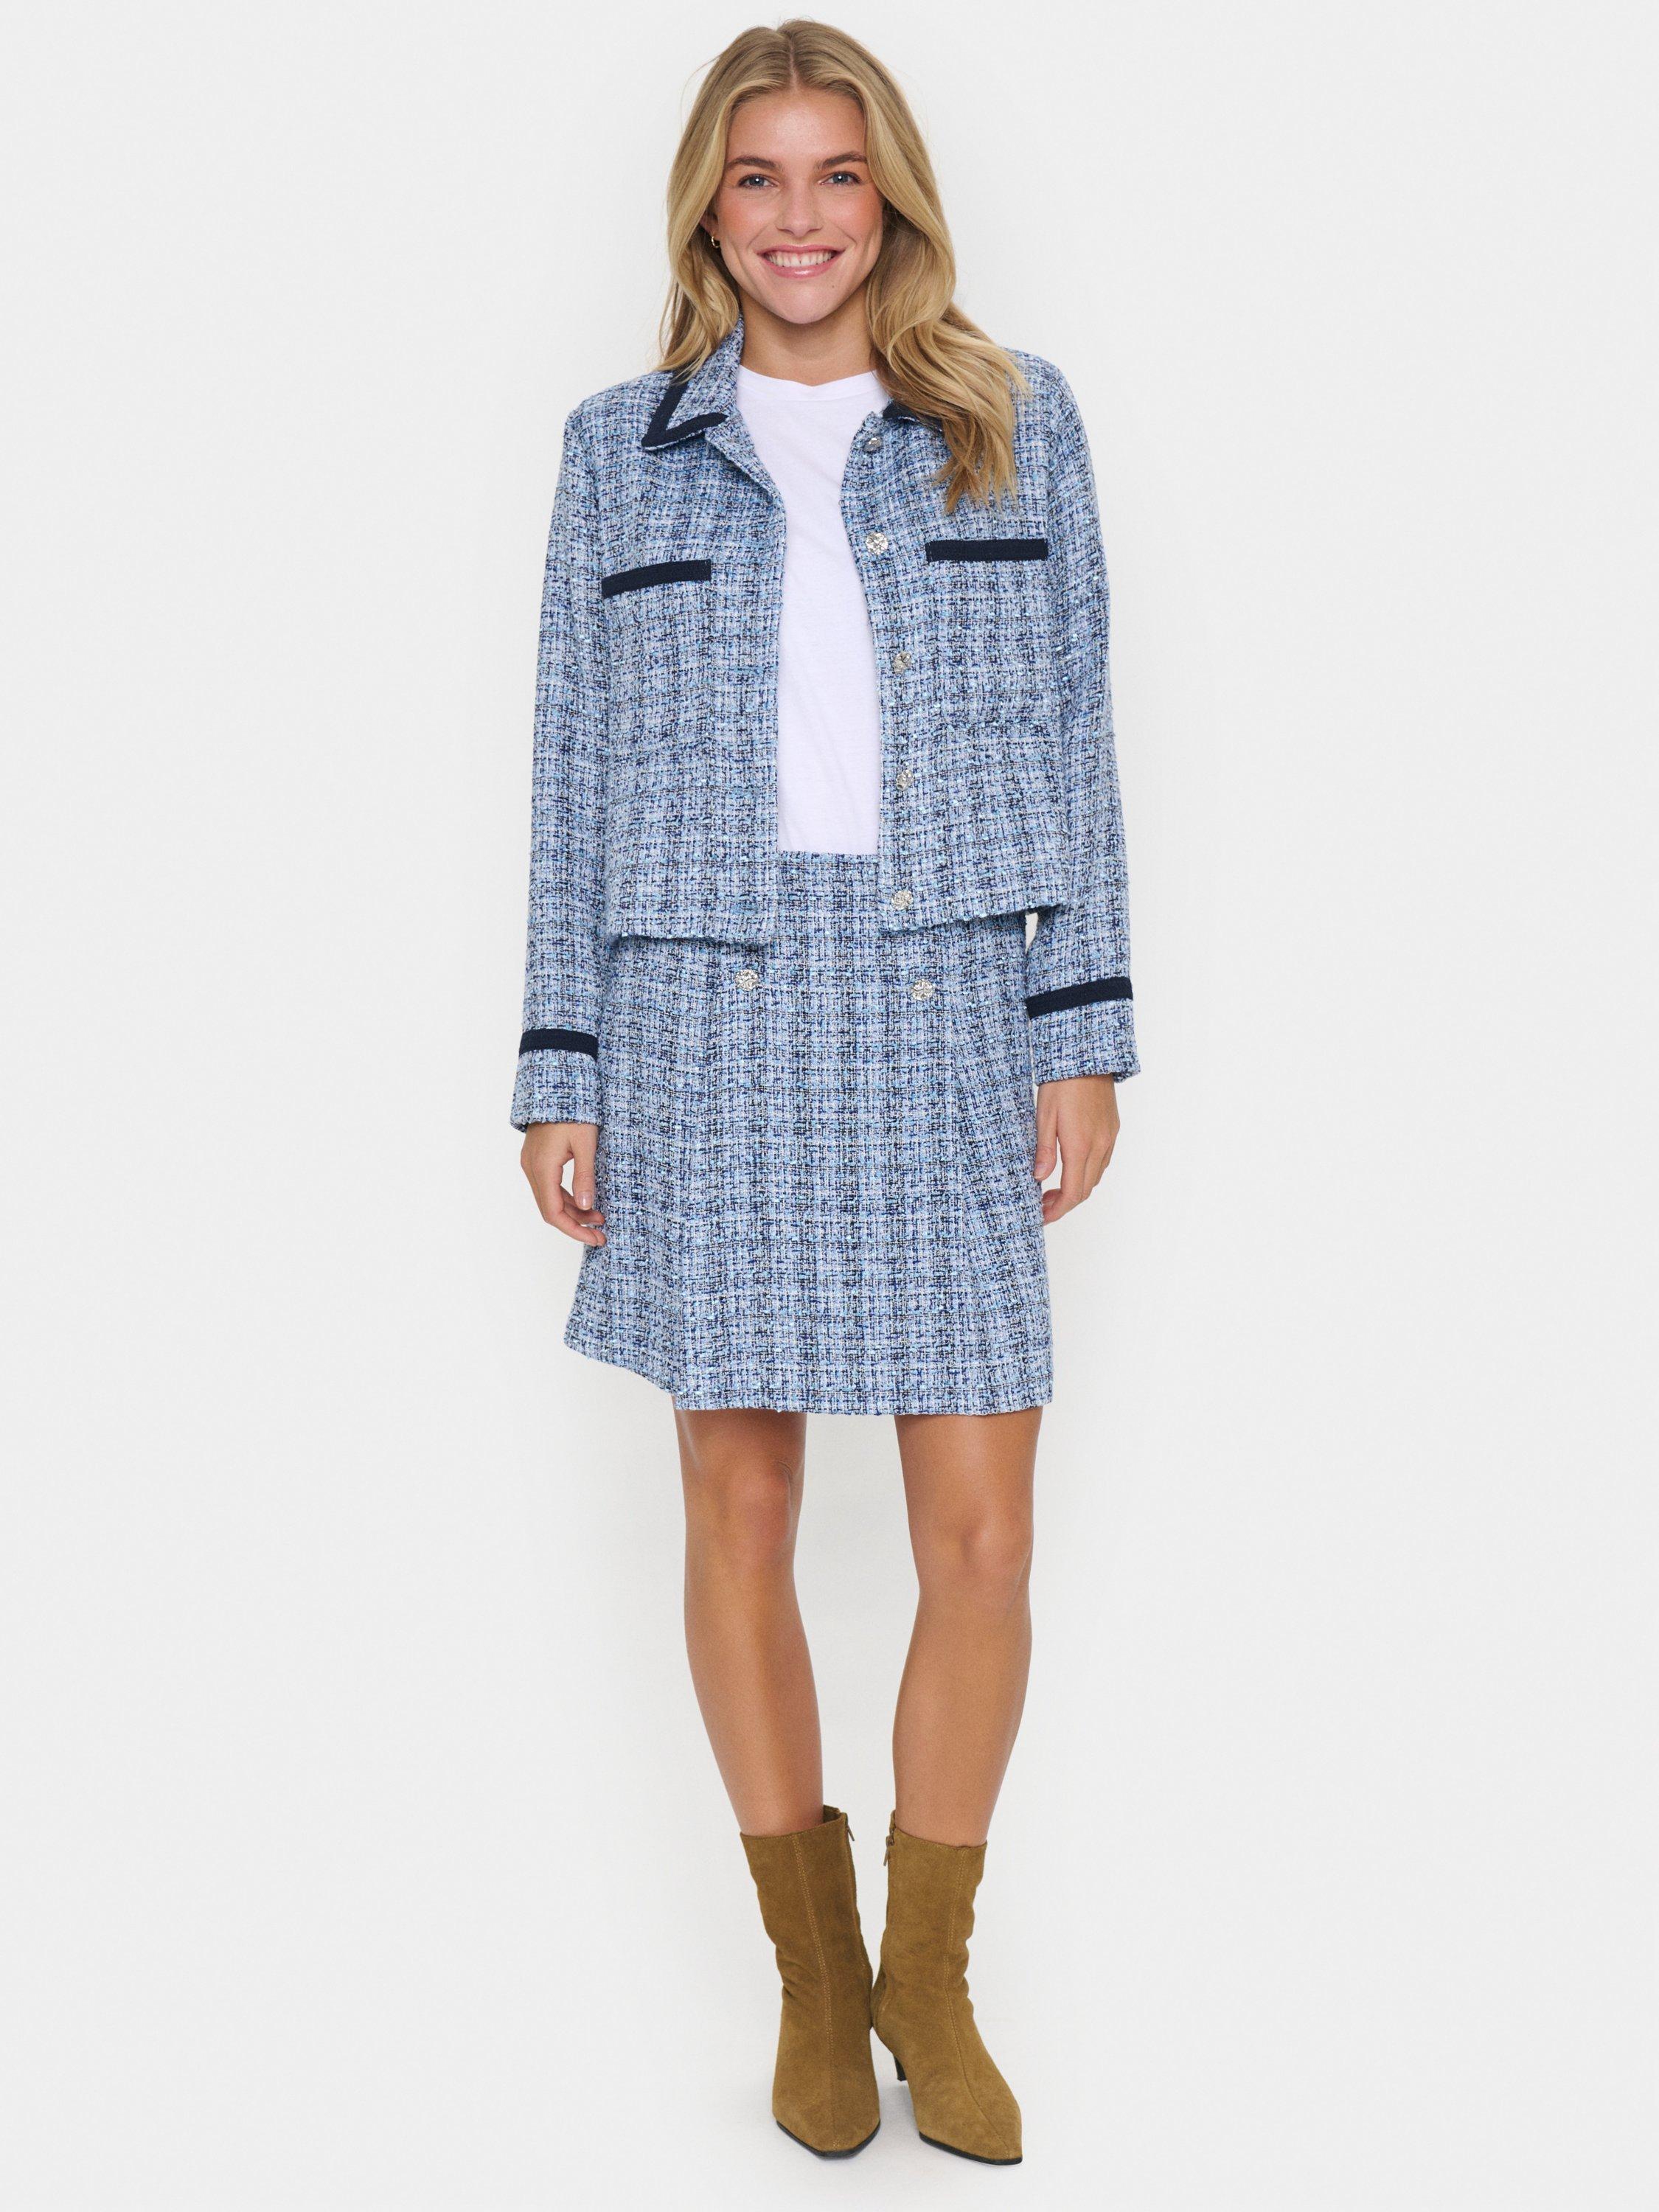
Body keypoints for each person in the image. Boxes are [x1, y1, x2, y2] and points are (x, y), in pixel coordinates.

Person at [512, 19, 1137, 2165]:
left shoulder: (1011, 422)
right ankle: (809, 1981)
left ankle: (927, 1983)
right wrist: (562, 1062)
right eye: (759, 176)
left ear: (894, 201)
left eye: (837, 176)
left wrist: (1080, 1027)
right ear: (710, 203)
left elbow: (1077, 736)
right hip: (707, 1010)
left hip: (950, 992)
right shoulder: (620, 450)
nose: (799, 218)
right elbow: (572, 776)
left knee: (981, 1532)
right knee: (743, 1508)